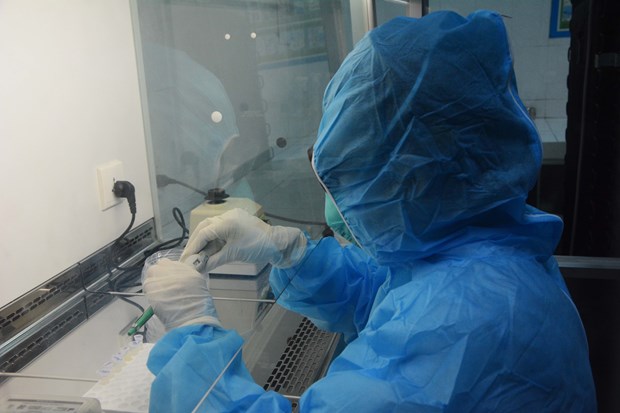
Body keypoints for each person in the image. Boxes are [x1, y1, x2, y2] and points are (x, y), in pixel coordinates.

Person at [142, 10, 597, 412]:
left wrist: (192, 337)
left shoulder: (460, 322)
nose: (339, 202)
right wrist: (295, 254)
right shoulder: (479, 255)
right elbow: (384, 291)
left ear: (417, 174)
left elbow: (420, 333)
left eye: (352, 178)